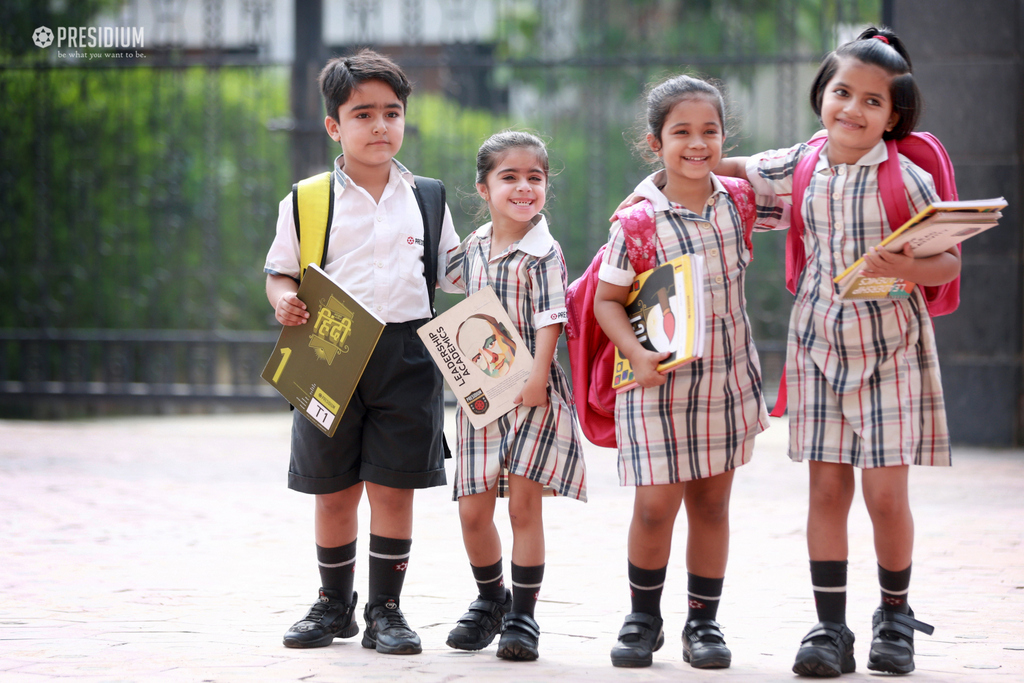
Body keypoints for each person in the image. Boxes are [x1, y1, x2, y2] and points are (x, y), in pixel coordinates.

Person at [716, 26, 959, 677]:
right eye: (842, 92)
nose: (853, 108)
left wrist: (904, 264)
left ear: (893, 115)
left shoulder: (906, 180)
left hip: (891, 353)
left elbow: (949, 260)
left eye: (872, 101)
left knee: (885, 495)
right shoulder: (802, 162)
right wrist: (665, 173)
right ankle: (828, 628)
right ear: (822, 93)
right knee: (825, 490)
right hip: (819, 348)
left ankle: (895, 617)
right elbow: (734, 170)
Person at [264, 49, 461, 656]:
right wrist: (283, 301)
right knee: (333, 489)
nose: (380, 126)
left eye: (392, 113)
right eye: (363, 114)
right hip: (328, 350)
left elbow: (456, 271)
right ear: (334, 126)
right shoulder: (307, 199)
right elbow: (279, 272)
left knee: (395, 487)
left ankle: (386, 610)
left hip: (407, 355)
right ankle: (333, 605)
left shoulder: (426, 197)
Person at [594, 75, 779, 670]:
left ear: (725, 140)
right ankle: (642, 619)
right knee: (654, 506)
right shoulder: (637, 222)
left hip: (724, 381)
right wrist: (637, 352)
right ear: (655, 143)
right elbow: (606, 301)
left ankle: (703, 623)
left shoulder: (742, 201)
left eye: (709, 132)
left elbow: (808, 183)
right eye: (681, 133)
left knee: (712, 505)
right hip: (654, 384)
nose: (696, 145)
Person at [442, 130, 587, 662]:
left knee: (525, 508)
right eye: (510, 177)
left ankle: (523, 618)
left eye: (535, 177)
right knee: (472, 509)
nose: (524, 187)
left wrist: (537, 378)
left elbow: (553, 318)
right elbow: (443, 279)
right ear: (483, 188)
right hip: (481, 397)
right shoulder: (476, 246)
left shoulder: (544, 251)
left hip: (533, 394)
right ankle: (490, 601)